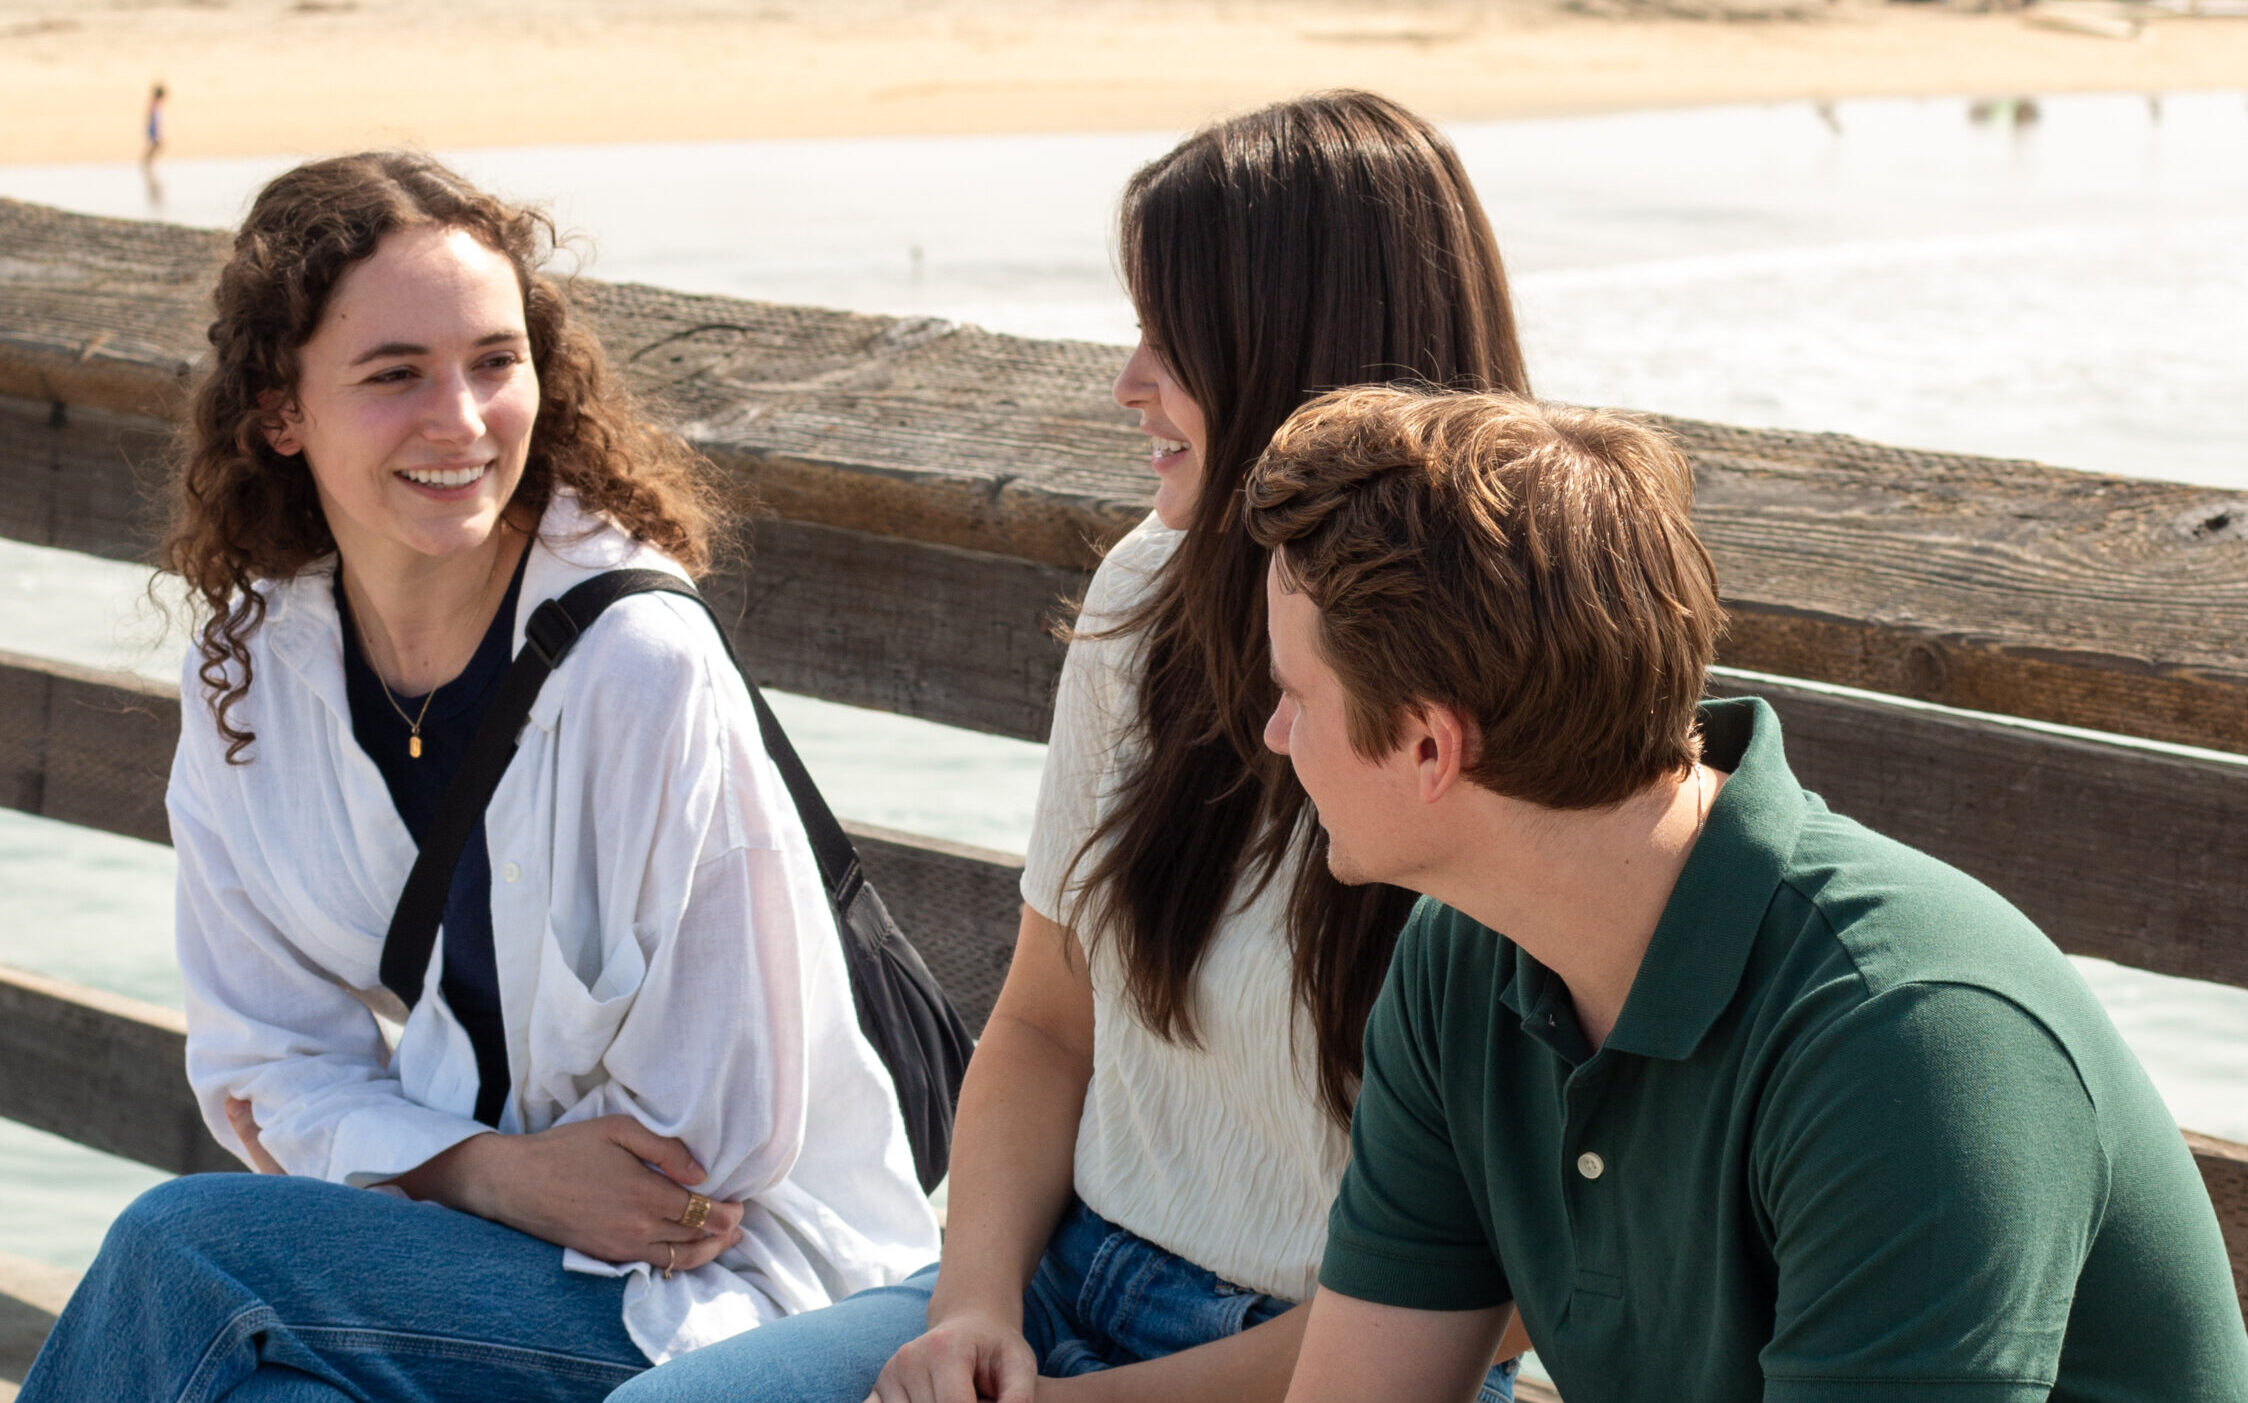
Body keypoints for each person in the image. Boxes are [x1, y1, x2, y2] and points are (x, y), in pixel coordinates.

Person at [608, 91, 1529, 1403]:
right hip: (1059, 1279)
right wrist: (973, 1309)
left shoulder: (1518, 694)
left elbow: (1486, 1299)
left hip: (1333, 1369)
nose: (1129, 378)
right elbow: (1043, 1023)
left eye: (1175, 335)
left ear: (1293, 348)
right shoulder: (1148, 587)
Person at [14, 152, 939, 1403]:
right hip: (474, 1238)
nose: (460, 418)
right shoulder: (253, 668)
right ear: (282, 412)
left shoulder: (638, 665)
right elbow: (258, 1063)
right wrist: (482, 1169)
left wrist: (417, 1160)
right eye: (395, 375)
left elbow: (700, 1168)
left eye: (495, 363)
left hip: (722, 1292)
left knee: (183, 1248)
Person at [1245, 388, 2248, 1403]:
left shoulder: (1907, 1038)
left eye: (1293, 693)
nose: (1276, 734)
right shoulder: (1462, 953)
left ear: (1427, 745)